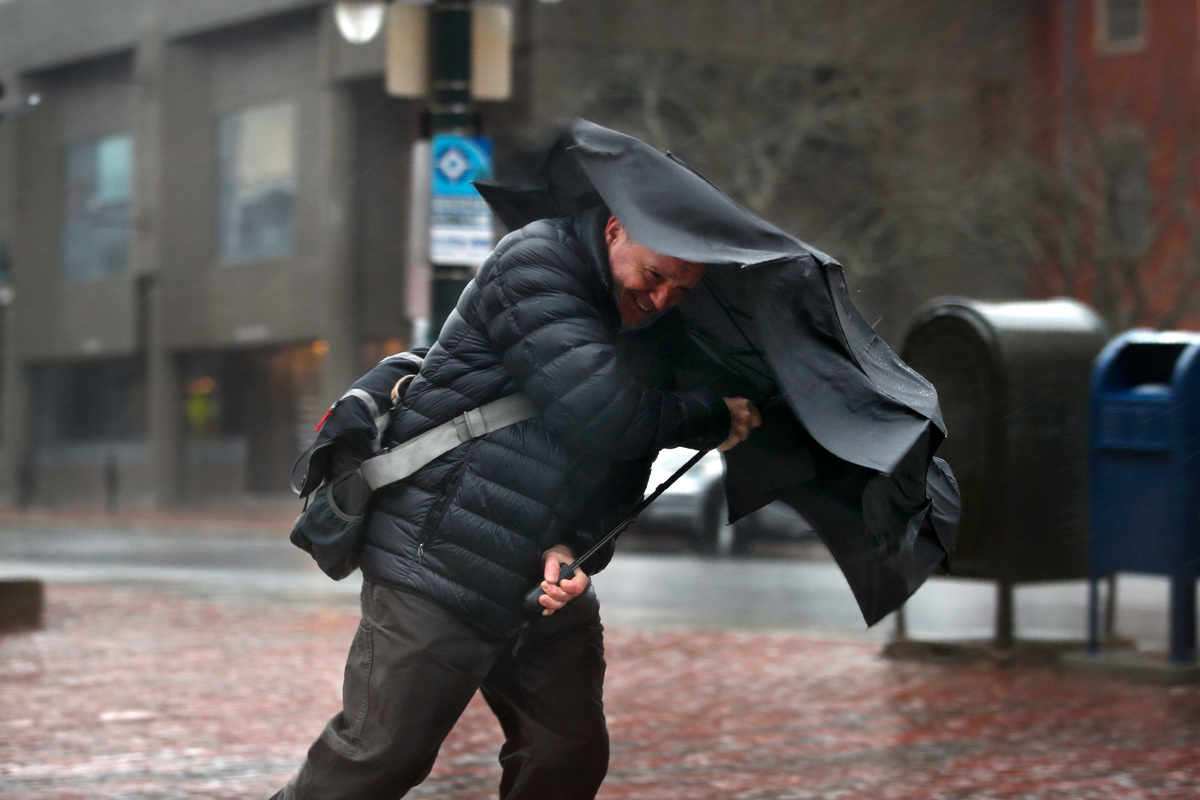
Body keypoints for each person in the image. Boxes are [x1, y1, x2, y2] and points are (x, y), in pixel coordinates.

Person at [271, 207, 762, 800]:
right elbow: (598, 409)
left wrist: (573, 548)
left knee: (566, 756)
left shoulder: (656, 333)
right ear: (613, 230)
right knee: (380, 758)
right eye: (653, 276)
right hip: (440, 554)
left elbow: (619, 470)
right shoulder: (535, 262)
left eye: (681, 290)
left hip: (536, 580)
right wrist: (707, 414)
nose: (660, 298)